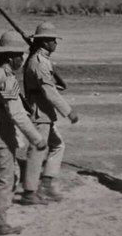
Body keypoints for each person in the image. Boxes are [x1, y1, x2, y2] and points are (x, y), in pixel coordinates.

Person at [0, 31, 46, 235]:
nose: (22, 60)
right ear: (10, 57)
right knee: (5, 179)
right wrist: (36, 138)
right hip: (0, 134)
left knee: (13, 174)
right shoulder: (6, 78)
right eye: (20, 56)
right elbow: (16, 112)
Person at [21, 21, 80, 205]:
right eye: (53, 40)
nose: (55, 43)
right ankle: (30, 192)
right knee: (37, 151)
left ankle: (46, 183)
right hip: (40, 113)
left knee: (57, 145)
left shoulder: (41, 60)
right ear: (45, 41)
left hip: (44, 111)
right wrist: (68, 112)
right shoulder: (39, 62)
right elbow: (49, 91)